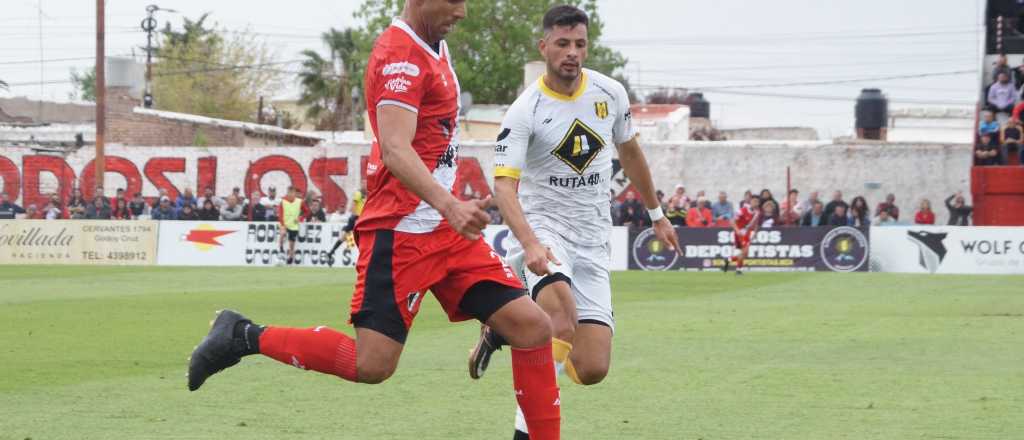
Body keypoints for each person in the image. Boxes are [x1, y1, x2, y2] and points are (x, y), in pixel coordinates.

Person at [189, 3, 562, 439]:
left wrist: (449, 208)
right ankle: (242, 335)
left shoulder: (434, 45)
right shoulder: (399, 54)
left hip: (446, 234)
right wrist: (451, 204)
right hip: (400, 232)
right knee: (372, 364)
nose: (462, 12)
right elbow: (395, 149)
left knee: (533, 327)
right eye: (455, 0)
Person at [466, 7, 680, 438]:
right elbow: (504, 187)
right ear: (543, 47)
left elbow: (631, 153)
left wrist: (657, 214)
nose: (572, 53)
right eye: (562, 44)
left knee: (592, 367)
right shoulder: (525, 110)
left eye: (579, 44)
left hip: (592, 237)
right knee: (560, 320)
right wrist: (529, 244)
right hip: (544, 230)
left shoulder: (610, 93)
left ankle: (501, 329)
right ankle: (526, 432)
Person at [327, 190, 364, 268]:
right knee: (360, 239)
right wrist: (354, 217)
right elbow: (354, 205)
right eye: (363, 182)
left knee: (344, 237)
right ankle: (362, 260)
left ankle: (330, 253)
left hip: (358, 218)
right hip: (356, 218)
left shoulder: (366, 194)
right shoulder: (359, 193)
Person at [724, 196, 760, 275]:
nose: (755, 203)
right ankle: (738, 270)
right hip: (739, 233)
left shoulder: (757, 212)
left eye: (757, 201)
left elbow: (756, 224)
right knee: (745, 251)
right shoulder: (742, 210)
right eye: (754, 201)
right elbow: (732, 221)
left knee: (745, 253)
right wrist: (737, 230)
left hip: (747, 233)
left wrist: (755, 233)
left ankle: (730, 260)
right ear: (750, 202)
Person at [274, 186, 305, 265]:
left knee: (291, 245)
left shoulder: (300, 202)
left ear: (295, 193)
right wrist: (283, 225)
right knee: (282, 234)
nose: (290, 194)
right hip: (285, 224)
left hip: (294, 225)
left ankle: (290, 258)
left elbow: (307, 212)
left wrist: (300, 218)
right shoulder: (283, 201)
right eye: (289, 192)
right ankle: (281, 250)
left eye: (292, 192)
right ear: (287, 193)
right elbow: (280, 215)